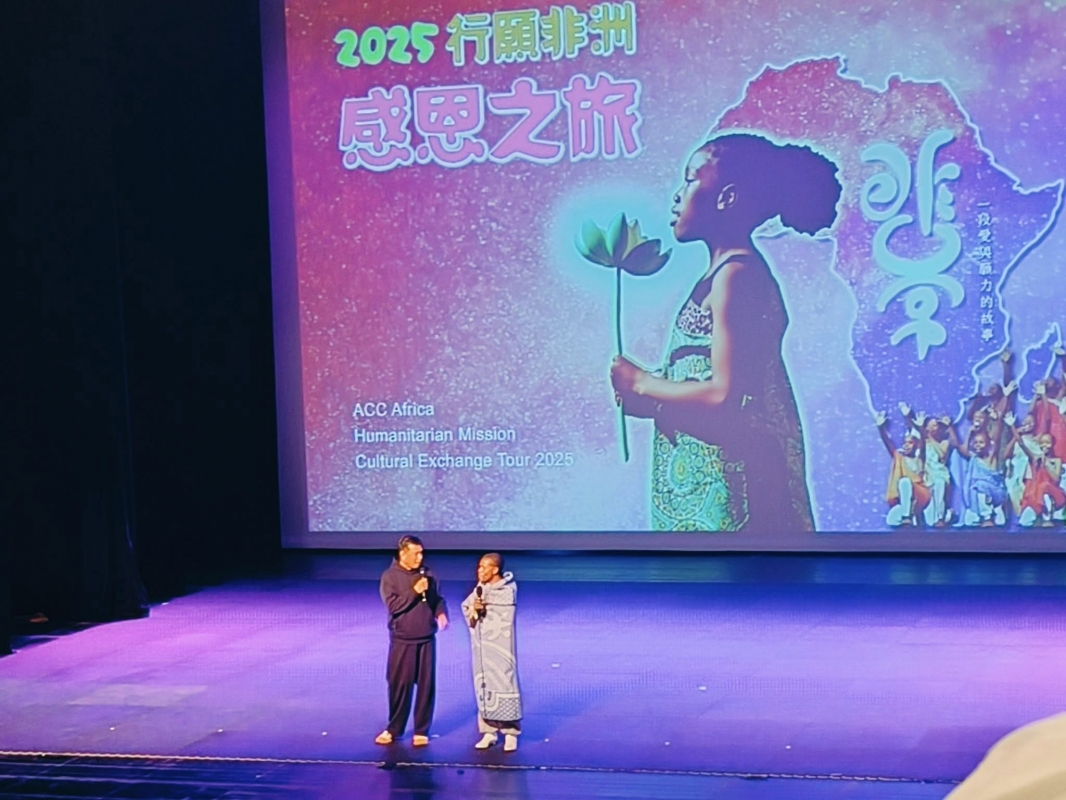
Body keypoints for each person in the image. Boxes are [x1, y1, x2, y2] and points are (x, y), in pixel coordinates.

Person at [610, 133, 841, 534]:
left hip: (736, 499)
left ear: (727, 198)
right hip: (707, 492)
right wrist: (655, 402)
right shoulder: (722, 275)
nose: (677, 196)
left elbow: (724, 394)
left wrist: (644, 383)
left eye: (690, 180)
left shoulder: (737, 276)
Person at [375, 535, 448, 747]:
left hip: (426, 639)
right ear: (403, 553)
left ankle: (421, 730)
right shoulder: (390, 577)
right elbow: (394, 606)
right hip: (403, 640)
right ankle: (394, 728)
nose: (420, 557)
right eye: (416, 553)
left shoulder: (427, 574)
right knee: (400, 686)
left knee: (426, 686)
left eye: (421, 553)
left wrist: (441, 613)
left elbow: (437, 599)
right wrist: (414, 591)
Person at [461, 553, 522, 752]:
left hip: (501, 647)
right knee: (483, 684)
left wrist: (484, 605)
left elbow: (503, 611)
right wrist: (474, 608)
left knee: (504, 682)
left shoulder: (507, 589)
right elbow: (467, 607)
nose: (479, 571)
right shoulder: (481, 588)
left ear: (495, 569)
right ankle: (489, 731)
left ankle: (510, 732)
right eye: (479, 567)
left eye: (484, 567)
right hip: (482, 647)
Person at [876, 411, 930, 527]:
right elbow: (888, 443)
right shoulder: (899, 457)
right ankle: (911, 516)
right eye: (905, 443)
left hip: (920, 495)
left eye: (910, 443)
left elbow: (923, 444)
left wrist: (920, 428)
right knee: (891, 520)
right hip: (906, 500)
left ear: (915, 445)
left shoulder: (919, 458)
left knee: (904, 481)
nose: (906, 445)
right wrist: (880, 428)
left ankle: (907, 516)